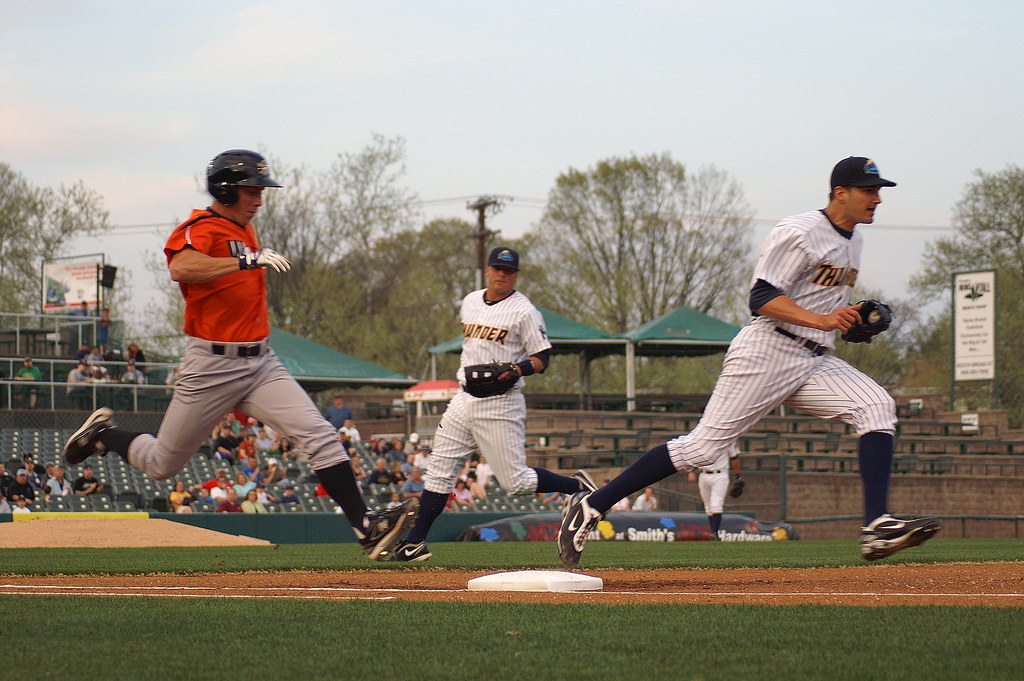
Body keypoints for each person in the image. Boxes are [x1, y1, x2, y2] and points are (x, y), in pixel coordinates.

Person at [558, 157, 941, 567]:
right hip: (767, 351)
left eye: (879, 191)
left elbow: (820, 302)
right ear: (840, 193)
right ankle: (594, 505)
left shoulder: (855, 241)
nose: (877, 199)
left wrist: (848, 318)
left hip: (812, 359)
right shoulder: (799, 232)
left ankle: (876, 527)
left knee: (877, 405)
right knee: (702, 449)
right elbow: (761, 299)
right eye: (869, 190)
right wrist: (823, 319)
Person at [60, 149, 417, 560]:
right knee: (162, 464)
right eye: (251, 190)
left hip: (261, 362)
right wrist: (242, 260)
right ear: (226, 189)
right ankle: (103, 436)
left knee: (318, 435)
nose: (259, 199)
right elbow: (182, 267)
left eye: (260, 190)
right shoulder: (203, 226)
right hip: (211, 364)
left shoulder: (245, 228)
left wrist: (245, 256)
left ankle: (367, 529)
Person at [389, 247, 598, 562]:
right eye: (497, 268)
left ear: (515, 274)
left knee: (515, 482)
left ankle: (576, 485)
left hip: (502, 402)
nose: (502, 274)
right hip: (463, 399)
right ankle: (415, 542)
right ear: (487, 270)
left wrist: (517, 369)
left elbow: (543, 358)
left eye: (509, 270)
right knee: (438, 472)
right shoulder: (470, 302)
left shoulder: (524, 311)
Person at [688, 448, 741, 538]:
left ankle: (715, 532)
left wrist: (737, 476)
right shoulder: (704, 439)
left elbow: (735, 458)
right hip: (703, 474)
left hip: (720, 474)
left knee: (716, 503)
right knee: (708, 506)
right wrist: (692, 471)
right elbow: (695, 455)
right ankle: (713, 532)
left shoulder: (727, 441)